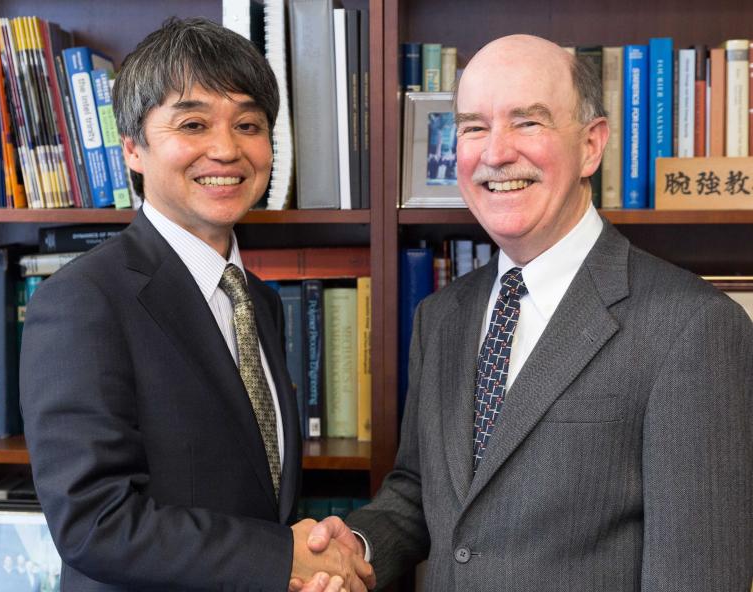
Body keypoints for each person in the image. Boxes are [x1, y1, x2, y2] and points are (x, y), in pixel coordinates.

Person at [295, 34, 753, 591]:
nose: (495, 153)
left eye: (527, 122)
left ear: (591, 145)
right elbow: (422, 491)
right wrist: (355, 548)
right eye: (472, 127)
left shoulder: (694, 328)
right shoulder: (441, 316)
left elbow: (698, 577)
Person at [20, 17, 373, 591]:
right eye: (193, 123)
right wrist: (283, 558)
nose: (226, 149)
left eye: (249, 124)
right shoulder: (83, 300)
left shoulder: (257, 300)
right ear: (133, 147)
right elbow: (95, 523)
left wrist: (305, 560)